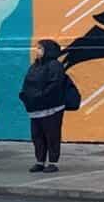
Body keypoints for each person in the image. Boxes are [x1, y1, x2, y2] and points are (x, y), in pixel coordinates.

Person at [19, 38, 78, 173]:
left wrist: (41, 96)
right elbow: (28, 82)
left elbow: (55, 85)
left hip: (52, 108)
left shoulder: (55, 66)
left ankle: (52, 162)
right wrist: (25, 95)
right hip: (36, 108)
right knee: (37, 135)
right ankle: (40, 161)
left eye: (40, 48)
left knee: (52, 135)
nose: (37, 51)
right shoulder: (35, 66)